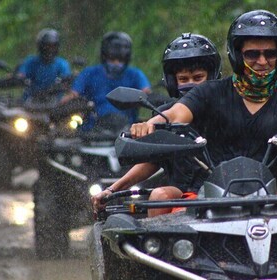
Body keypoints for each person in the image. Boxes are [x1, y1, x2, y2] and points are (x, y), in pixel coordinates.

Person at [128, 10, 277, 198]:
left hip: (269, 201)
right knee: (161, 203)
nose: (262, 61)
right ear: (237, 56)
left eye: (270, 53)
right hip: (208, 198)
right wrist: (150, 123)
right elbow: (176, 113)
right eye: (252, 54)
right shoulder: (210, 92)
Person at [91, 33, 221, 216]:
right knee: (159, 195)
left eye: (198, 77)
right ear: (172, 82)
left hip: (228, 190)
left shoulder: (228, 106)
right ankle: (160, 244)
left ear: (212, 76)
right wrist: (112, 190)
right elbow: (152, 161)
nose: (191, 85)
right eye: (183, 79)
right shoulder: (164, 116)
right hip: (183, 194)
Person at [61, 31, 151, 126]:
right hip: (92, 129)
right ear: (105, 56)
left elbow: (146, 93)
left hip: (126, 128)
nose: (116, 63)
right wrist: (62, 104)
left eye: (120, 60)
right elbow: (73, 94)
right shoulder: (89, 73)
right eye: (112, 59)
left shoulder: (135, 75)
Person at [17, 28, 71, 102]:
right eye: (47, 46)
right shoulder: (31, 62)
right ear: (40, 46)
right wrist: (18, 78)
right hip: (31, 101)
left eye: (53, 46)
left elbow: (66, 78)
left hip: (56, 103)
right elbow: (21, 75)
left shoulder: (62, 64)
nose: (50, 50)